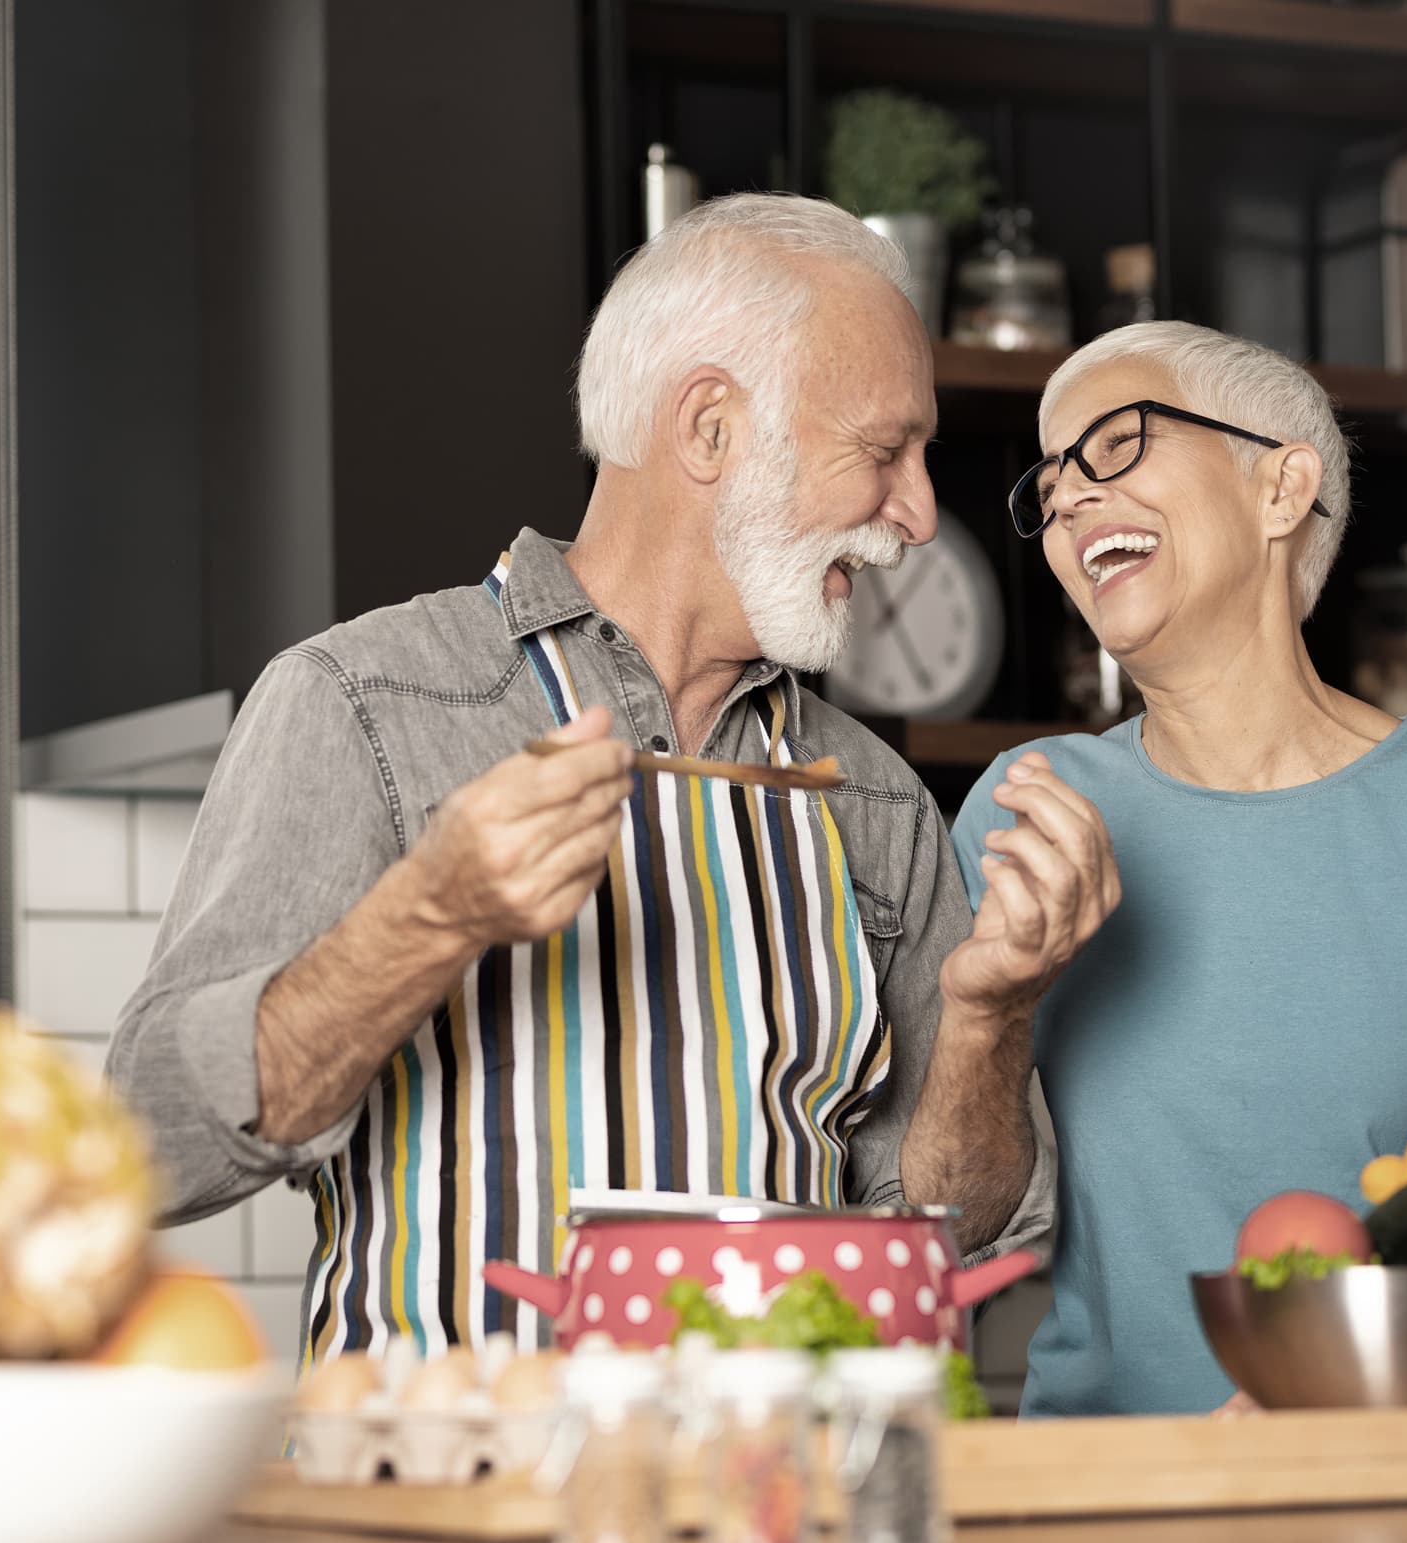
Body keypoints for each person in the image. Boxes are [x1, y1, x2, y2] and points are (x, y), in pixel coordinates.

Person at [110, 194, 1118, 1360]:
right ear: (707, 429)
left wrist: (992, 1016)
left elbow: (949, 1235)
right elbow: (144, 1144)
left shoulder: (874, 797)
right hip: (449, 1502)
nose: (917, 511)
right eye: (883, 451)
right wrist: (428, 918)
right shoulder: (365, 704)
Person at [952, 320, 1407, 1417]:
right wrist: (988, 1009)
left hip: (1404, 1497)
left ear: (1279, 489)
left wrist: (1342, 1382)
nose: (1065, 501)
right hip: (1106, 1499)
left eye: (1114, 445)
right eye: (1050, 479)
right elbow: (947, 1209)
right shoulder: (1029, 808)